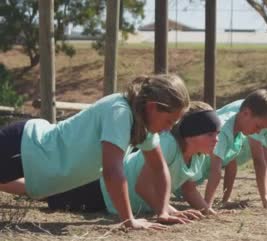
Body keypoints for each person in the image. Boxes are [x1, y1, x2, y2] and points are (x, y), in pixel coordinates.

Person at [0, 74, 191, 230]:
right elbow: (112, 172)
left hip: (33, 157)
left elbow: (159, 168)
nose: (169, 129)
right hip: (24, 147)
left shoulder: (143, 125)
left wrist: (163, 211)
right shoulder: (120, 112)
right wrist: (129, 220)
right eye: (168, 121)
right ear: (152, 107)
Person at [46, 102, 221, 220]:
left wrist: (208, 211)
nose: (216, 139)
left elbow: (188, 188)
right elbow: (142, 187)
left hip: (118, 198)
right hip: (101, 191)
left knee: (47, 189)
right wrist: (170, 211)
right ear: (191, 135)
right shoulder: (168, 145)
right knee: (43, 191)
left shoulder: (198, 155)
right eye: (210, 134)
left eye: (217, 134)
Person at [203, 89, 267, 212]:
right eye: (258, 126)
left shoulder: (239, 132)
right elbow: (215, 171)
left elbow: (231, 164)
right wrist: (207, 206)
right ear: (246, 113)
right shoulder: (222, 130)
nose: (258, 132)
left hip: (189, 181)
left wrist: (225, 200)